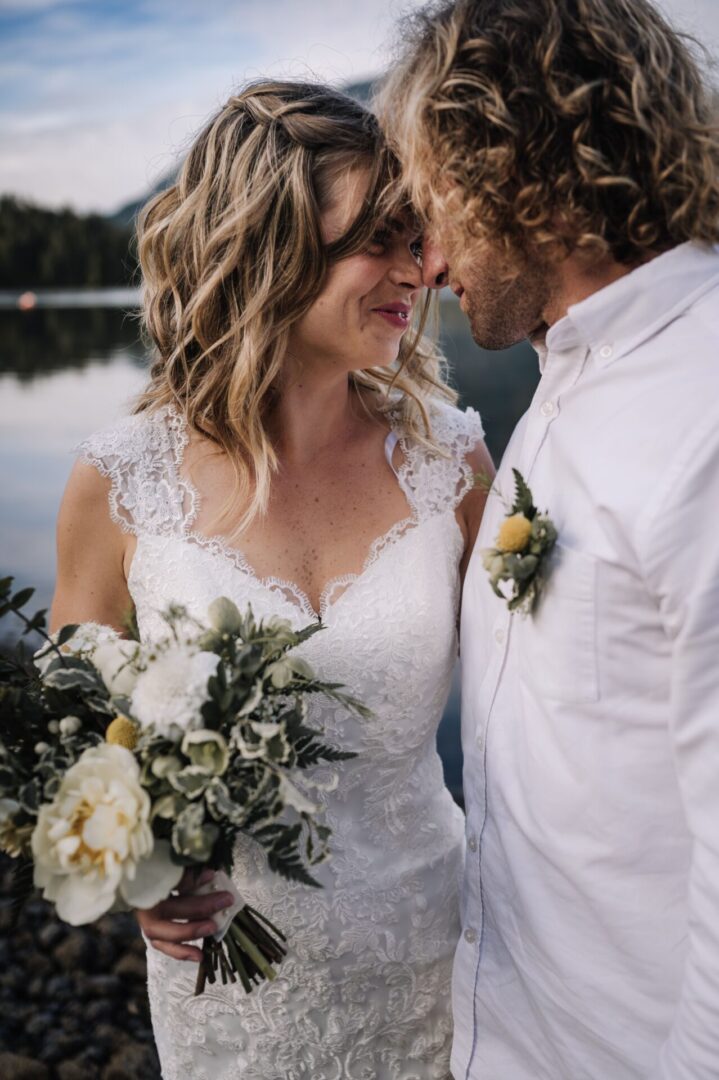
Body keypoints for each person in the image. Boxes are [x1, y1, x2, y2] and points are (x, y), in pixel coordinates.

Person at [49, 80, 493, 1079]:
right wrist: (132, 867)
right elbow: (73, 721)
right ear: (268, 249)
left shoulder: (450, 463)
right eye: (379, 238)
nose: (420, 269)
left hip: (439, 957)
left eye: (416, 234)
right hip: (230, 990)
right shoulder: (121, 480)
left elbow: (536, 706)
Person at [378, 0, 719, 1077]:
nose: (424, 261)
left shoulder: (698, 414)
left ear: (514, 167)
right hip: (518, 1033)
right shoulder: (567, 381)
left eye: (429, 204)